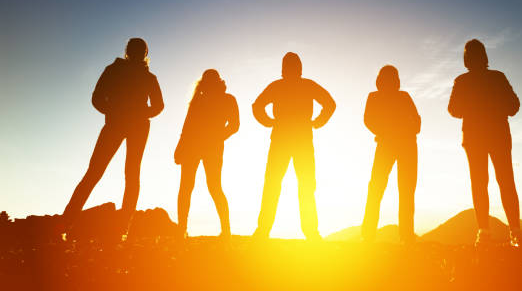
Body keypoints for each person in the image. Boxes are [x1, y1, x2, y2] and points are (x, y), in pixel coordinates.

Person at [63, 38, 164, 232]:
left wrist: (137, 113)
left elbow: (158, 106)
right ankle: (69, 220)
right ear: (133, 52)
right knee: (100, 171)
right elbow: (97, 98)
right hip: (118, 125)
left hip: (134, 127)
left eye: (139, 50)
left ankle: (120, 226)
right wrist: (113, 112)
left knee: (124, 173)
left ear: (143, 53)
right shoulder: (117, 70)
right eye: (136, 50)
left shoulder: (147, 77)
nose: (137, 53)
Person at [252, 52, 335, 240]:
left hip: (290, 138)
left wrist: (269, 121)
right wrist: (317, 122)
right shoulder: (303, 85)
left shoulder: (281, 86)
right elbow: (330, 104)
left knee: (282, 184)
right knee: (293, 184)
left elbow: (257, 106)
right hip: (295, 138)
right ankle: (307, 232)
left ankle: (267, 230)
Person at [448, 39, 521, 247]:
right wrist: (495, 107)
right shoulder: (497, 77)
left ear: (466, 59)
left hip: (475, 138)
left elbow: (453, 109)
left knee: (480, 183)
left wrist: (473, 107)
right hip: (496, 135)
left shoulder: (462, 81)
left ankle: (485, 232)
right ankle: (513, 231)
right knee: (505, 181)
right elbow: (514, 106)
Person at [174, 70, 239, 240]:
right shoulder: (198, 100)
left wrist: (217, 137)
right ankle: (182, 230)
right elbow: (187, 126)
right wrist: (180, 147)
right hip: (193, 147)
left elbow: (234, 125)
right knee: (187, 187)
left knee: (213, 187)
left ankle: (226, 231)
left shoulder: (228, 99)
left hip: (211, 148)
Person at [361, 65, 421, 245]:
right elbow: (368, 119)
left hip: (406, 145)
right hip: (390, 145)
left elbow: (417, 122)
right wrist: (388, 131)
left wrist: (391, 130)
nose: (391, 82)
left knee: (405, 190)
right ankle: (370, 234)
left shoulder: (404, 96)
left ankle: (406, 235)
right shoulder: (375, 97)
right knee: (378, 189)